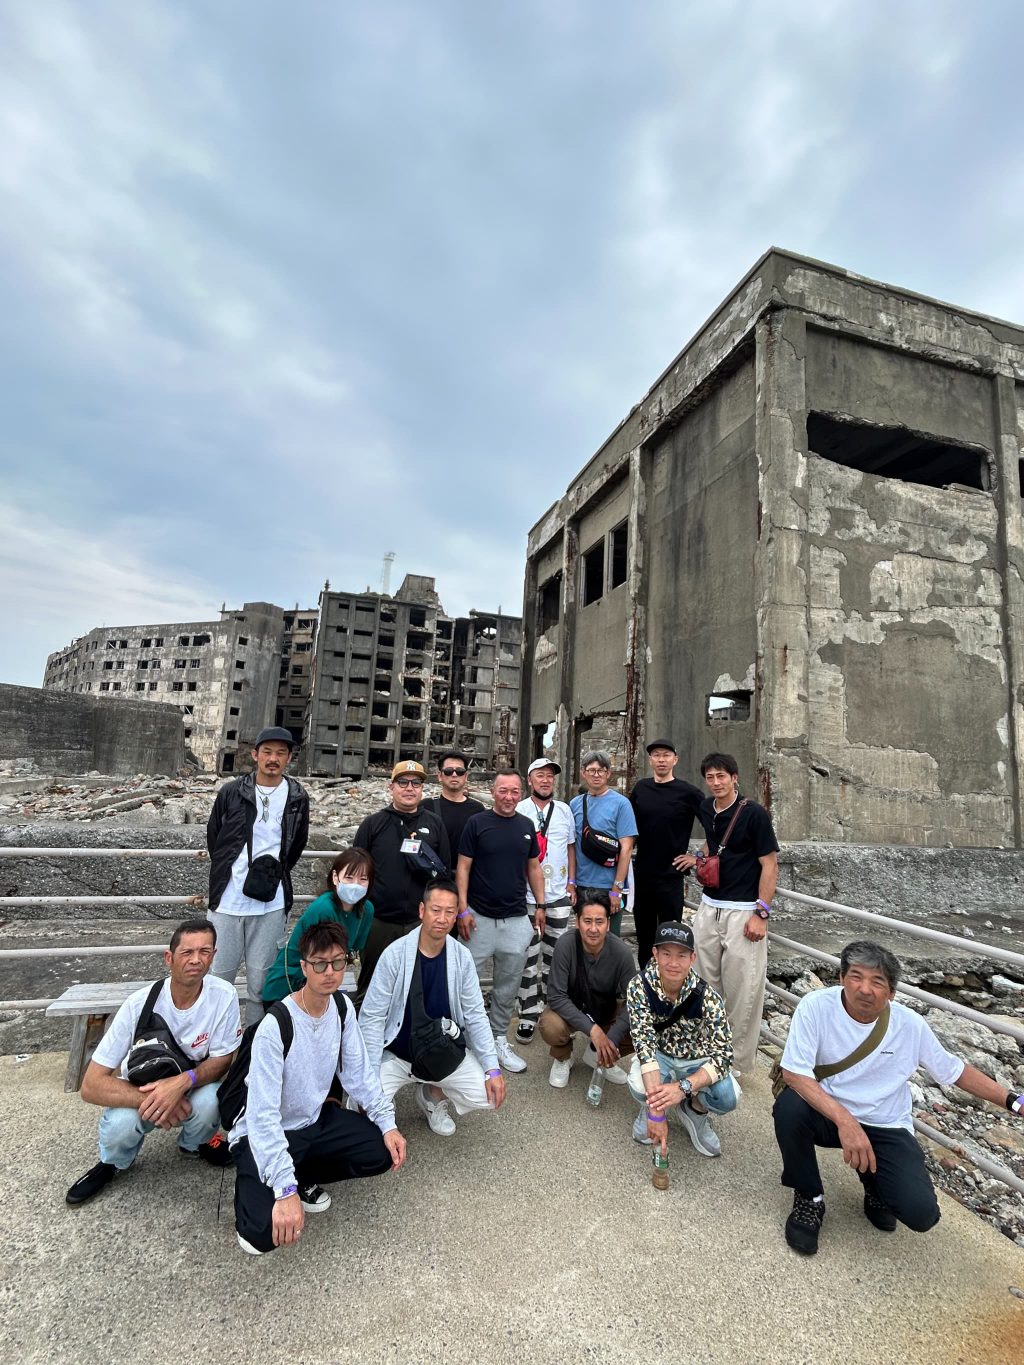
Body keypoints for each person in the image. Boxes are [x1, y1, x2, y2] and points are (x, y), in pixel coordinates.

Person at [774, 940, 1024, 1256]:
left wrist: (1013, 1100)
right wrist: (846, 1121)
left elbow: (954, 1071)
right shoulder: (816, 1006)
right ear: (841, 978)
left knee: (921, 1214)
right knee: (789, 1108)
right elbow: (795, 1074)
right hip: (829, 1114)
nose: (865, 989)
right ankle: (809, 1197)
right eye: (856, 976)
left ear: (892, 993)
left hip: (885, 1124)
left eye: (877, 982)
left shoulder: (910, 1025)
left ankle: (873, 1182)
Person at [229, 920, 407, 1255]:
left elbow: (359, 1075)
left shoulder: (341, 1008)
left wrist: (388, 1124)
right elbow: (262, 1114)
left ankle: (299, 1173)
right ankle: (267, 1177)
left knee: (381, 1152)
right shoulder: (276, 1025)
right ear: (304, 967)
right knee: (260, 1236)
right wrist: (284, 1190)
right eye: (320, 964)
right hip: (266, 1131)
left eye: (338, 962)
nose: (330, 972)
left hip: (313, 1121)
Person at [66, 918, 241, 1205]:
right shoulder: (138, 1004)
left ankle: (195, 1144)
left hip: (189, 1085)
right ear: (169, 958)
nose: (196, 960)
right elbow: (91, 1086)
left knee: (212, 1100)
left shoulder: (224, 995)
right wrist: (158, 1100)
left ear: (214, 955)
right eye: (187, 952)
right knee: (120, 1125)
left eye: (205, 951)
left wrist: (182, 1083)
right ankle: (113, 1163)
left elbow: (223, 1060)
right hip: (142, 1089)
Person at [358, 880, 506, 1137]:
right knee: (363, 1106)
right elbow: (372, 1018)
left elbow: (475, 1014)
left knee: (488, 1094)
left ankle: (432, 1094)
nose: (442, 918)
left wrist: (492, 1067)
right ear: (422, 910)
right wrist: (368, 1075)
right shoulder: (394, 955)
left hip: (440, 1051)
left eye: (450, 912)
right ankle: (385, 1100)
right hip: (396, 1054)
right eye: (436, 910)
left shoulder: (461, 957)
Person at [677, 752, 779, 1077]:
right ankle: (708, 1048)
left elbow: (769, 864)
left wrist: (761, 913)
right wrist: (697, 857)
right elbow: (714, 843)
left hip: (743, 911)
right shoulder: (708, 808)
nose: (716, 782)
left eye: (722, 776)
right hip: (709, 906)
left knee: (742, 990)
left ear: (735, 778)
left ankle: (733, 1062)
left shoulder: (754, 814)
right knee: (704, 984)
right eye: (710, 777)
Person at [206, 725, 310, 1025]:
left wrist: (273, 875)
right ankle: (219, 1040)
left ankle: (256, 1040)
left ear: (289, 758)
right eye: (267, 752)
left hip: (271, 903)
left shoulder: (297, 796)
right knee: (218, 979)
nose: (273, 759)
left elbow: (296, 845)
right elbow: (215, 837)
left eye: (280, 753)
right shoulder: (231, 792)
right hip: (228, 900)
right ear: (255, 755)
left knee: (262, 984)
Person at [456, 770, 546, 1074]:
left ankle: (497, 1039)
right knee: (463, 982)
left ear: (521, 793)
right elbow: (463, 867)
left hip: (516, 918)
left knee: (507, 987)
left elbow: (534, 868)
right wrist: (462, 909)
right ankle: (464, 1042)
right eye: (503, 791)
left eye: (514, 791)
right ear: (493, 792)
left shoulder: (526, 825)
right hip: (478, 918)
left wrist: (541, 905)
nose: (509, 797)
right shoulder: (477, 823)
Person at [626, 921, 740, 1159]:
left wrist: (683, 1088)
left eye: (681, 955)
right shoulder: (639, 987)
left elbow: (724, 1056)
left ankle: (694, 1110)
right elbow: (644, 1046)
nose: (673, 963)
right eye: (666, 953)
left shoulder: (707, 997)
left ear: (692, 958)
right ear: (655, 953)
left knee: (728, 1098)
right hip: (659, 1055)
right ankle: (650, 1107)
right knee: (639, 1086)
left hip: (696, 1059)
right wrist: (656, 1113)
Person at [352, 761, 451, 1005]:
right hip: (379, 921)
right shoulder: (373, 824)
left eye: (416, 783)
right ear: (391, 787)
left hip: (420, 921)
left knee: (418, 985)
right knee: (371, 985)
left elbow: (444, 872)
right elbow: (355, 870)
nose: (409, 788)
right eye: (403, 782)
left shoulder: (435, 823)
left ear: (422, 789)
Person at [541, 890, 635, 1090]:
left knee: (642, 1023)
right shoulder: (566, 944)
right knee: (550, 1025)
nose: (593, 929)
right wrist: (593, 1031)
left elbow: (636, 1001)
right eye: (587, 921)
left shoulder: (621, 952)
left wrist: (612, 1038)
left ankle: (598, 1053)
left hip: (605, 1008)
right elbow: (556, 996)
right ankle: (563, 1057)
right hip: (571, 1008)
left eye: (599, 921)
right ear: (577, 921)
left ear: (608, 923)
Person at [514, 757, 577, 1045]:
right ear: (530, 780)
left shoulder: (564, 810)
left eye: (550, 775)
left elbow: (570, 848)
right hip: (527, 897)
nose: (546, 780)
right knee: (528, 958)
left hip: (559, 895)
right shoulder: (520, 810)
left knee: (557, 958)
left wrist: (572, 882)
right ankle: (528, 1013)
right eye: (540, 775)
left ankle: (554, 1011)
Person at [262, 848, 375, 1005]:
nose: (356, 885)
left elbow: (352, 951)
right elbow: (319, 959)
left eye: (363, 879)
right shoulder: (324, 909)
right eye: (349, 878)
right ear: (335, 877)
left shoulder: (366, 909)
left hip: (323, 981)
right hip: (290, 985)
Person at [629, 739, 703, 967]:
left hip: (671, 877)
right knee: (644, 938)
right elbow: (628, 828)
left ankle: (669, 982)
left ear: (675, 759)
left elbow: (716, 827)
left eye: (666, 755)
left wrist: (697, 858)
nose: (661, 760)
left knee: (670, 938)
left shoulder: (688, 792)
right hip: (642, 875)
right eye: (657, 755)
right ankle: (646, 982)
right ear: (650, 760)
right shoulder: (641, 789)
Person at [569, 750, 637, 936]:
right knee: (584, 938)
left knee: (609, 939)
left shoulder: (621, 804)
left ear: (608, 773)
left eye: (601, 770)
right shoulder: (575, 804)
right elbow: (572, 846)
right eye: (591, 770)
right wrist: (571, 882)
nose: (596, 775)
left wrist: (617, 888)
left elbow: (626, 848)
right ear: (583, 773)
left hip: (608, 886)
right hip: (582, 885)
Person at [422, 750, 485, 858]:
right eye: (448, 771)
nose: (454, 775)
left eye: (460, 771)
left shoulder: (478, 809)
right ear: (440, 776)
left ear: (466, 776)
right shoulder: (426, 806)